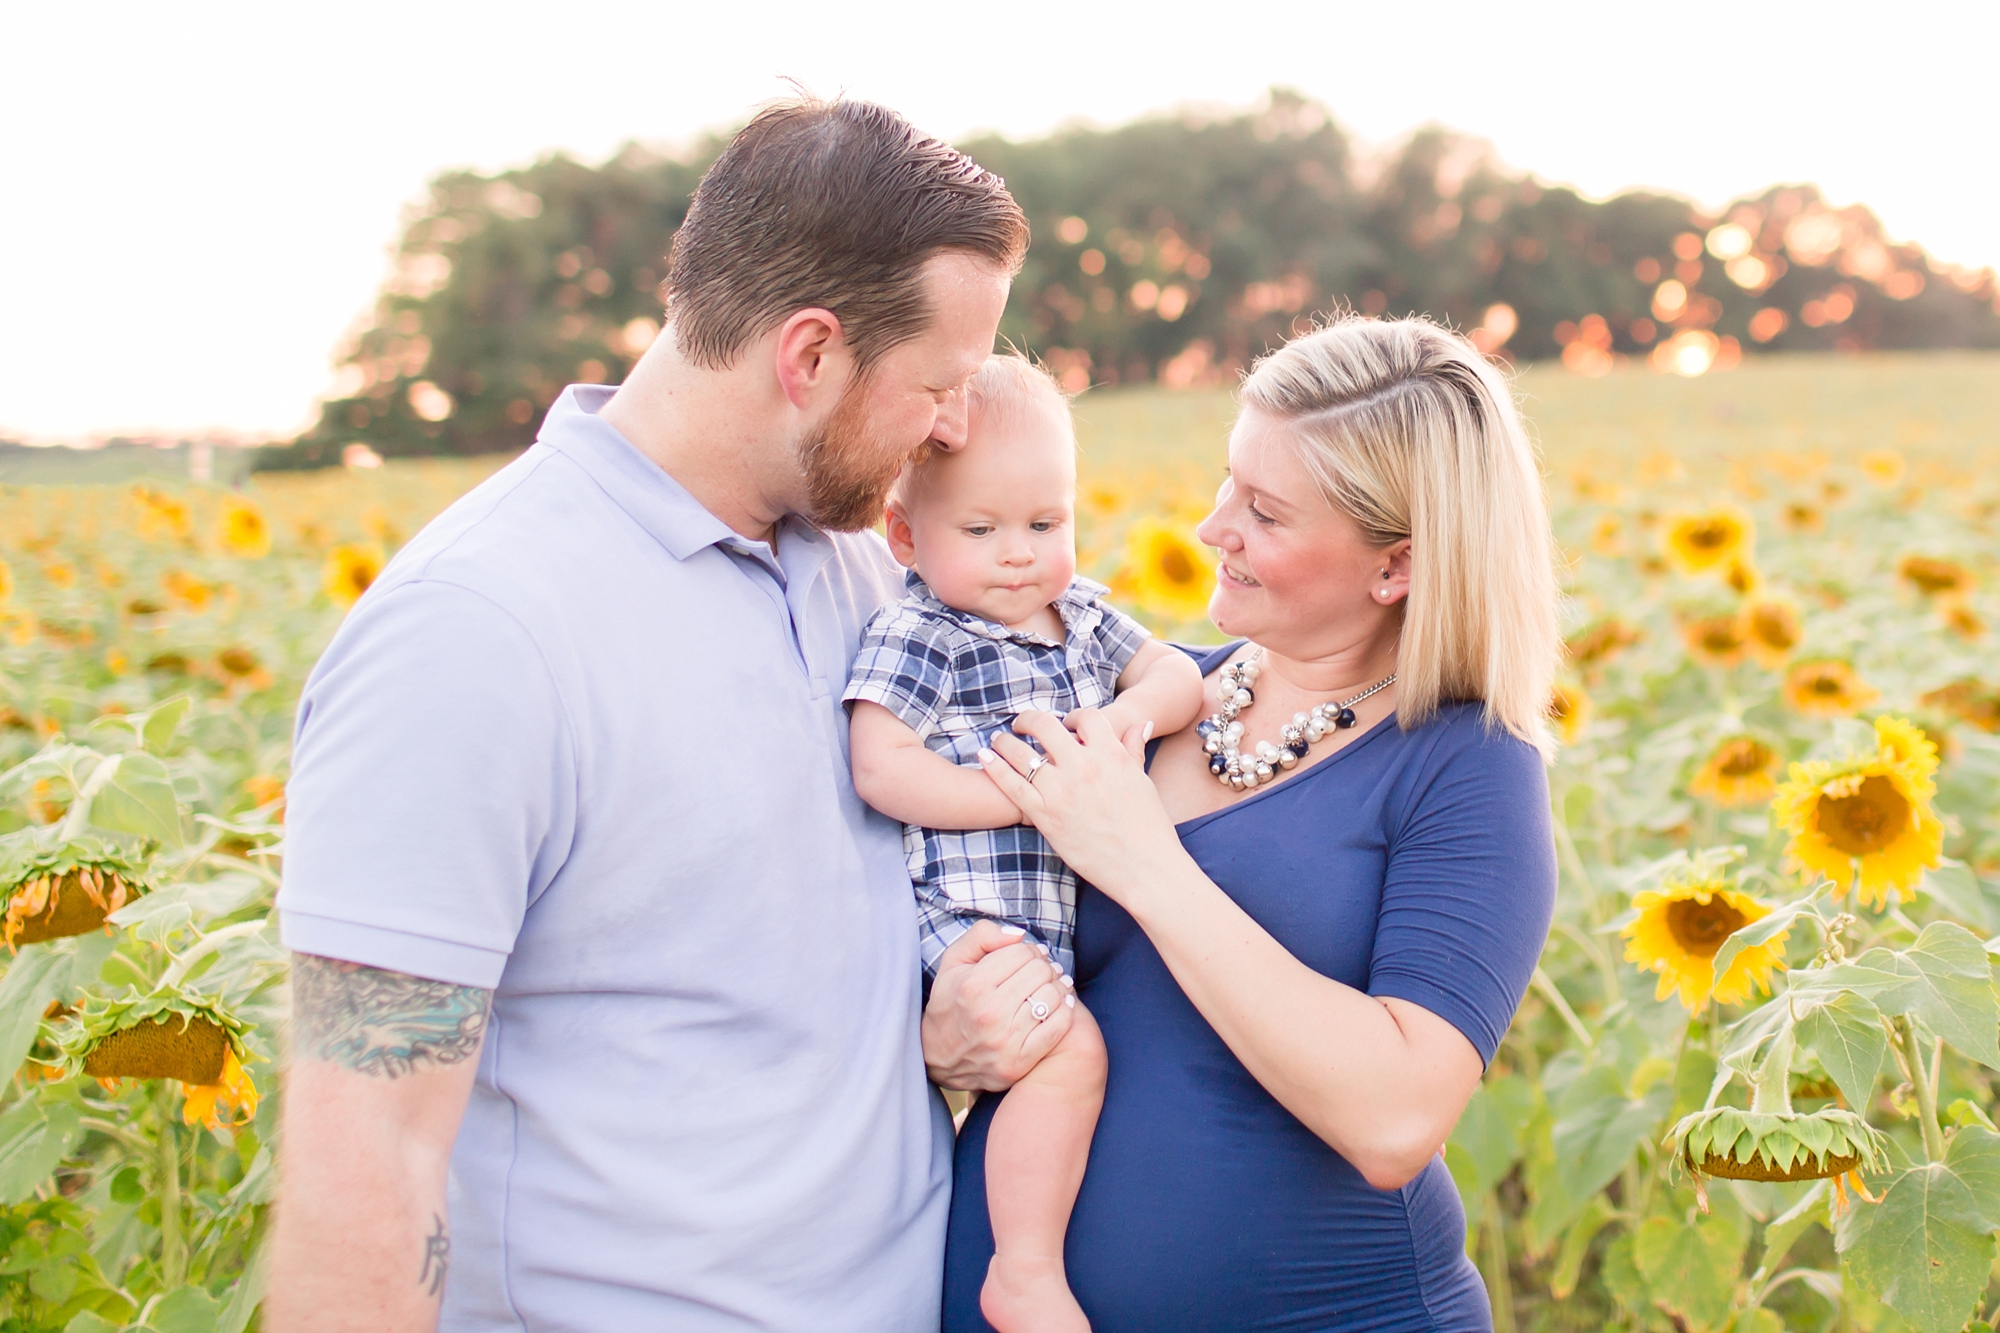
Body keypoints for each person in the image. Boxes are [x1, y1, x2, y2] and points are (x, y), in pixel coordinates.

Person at [264, 97, 1032, 1332]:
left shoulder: (865, 578)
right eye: (939, 384)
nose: (955, 425)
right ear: (810, 356)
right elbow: (369, 1155)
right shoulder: (477, 631)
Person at [930, 315, 1563, 1331]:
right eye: (1229, 481)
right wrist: (944, 1033)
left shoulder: (1466, 765)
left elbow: (1395, 1115)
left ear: (1393, 566)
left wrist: (1143, 862)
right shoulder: (1147, 693)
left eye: (1263, 512)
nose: (1210, 527)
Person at [845, 354, 1203, 1332]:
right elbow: (880, 763)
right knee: (1068, 1050)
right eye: (981, 528)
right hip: (962, 916)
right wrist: (1019, 798)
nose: (1018, 553)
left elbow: (1177, 676)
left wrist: (1125, 723)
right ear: (904, 536)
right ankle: (1023, 1270)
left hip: (1041, 915)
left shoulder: (1076, 616)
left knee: (1083, 1047)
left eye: (1045, 524)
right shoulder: (923, 632)